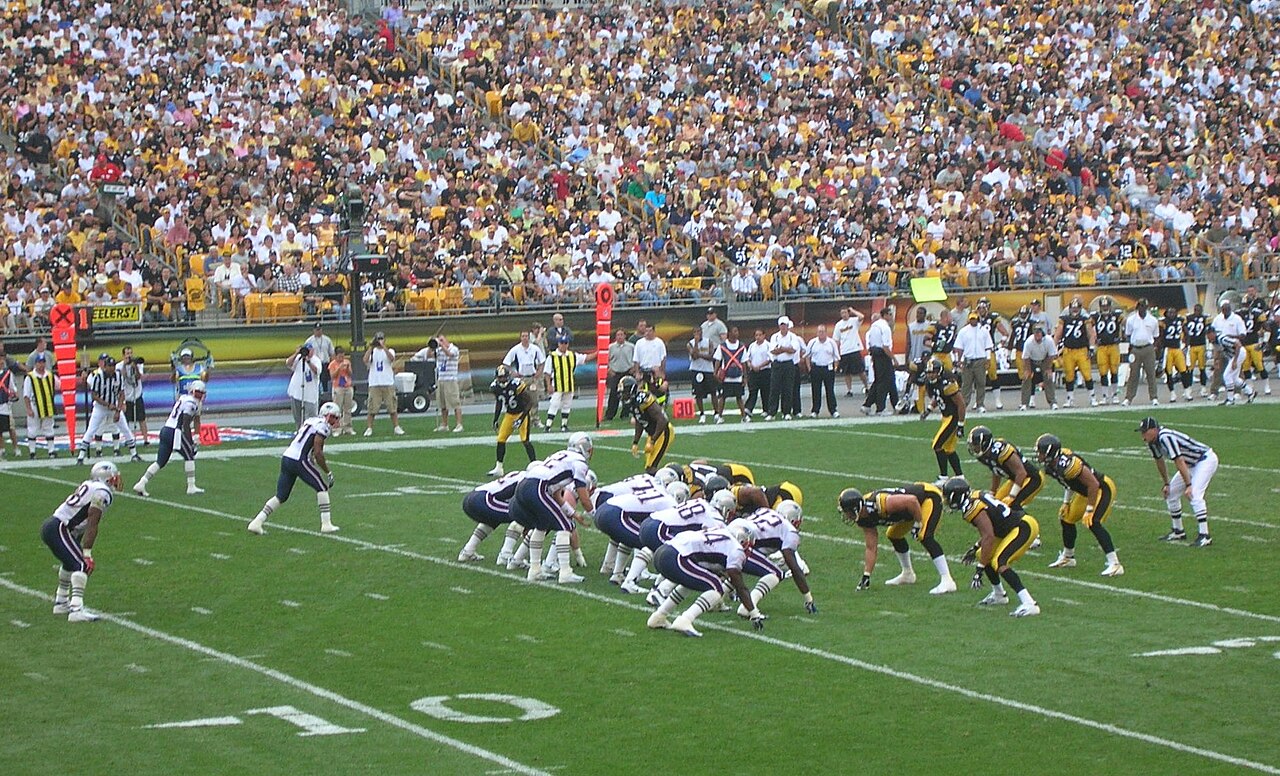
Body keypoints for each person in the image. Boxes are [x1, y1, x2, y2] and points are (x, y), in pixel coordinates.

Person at [942, 477, 1041, 617]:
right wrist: (976, 547)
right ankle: (999, 594)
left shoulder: (971, 508)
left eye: (948, 497)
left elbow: (989, 536)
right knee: (982, 554)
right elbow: (992, 527)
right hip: (1009, 528)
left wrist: (980, 569)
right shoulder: (975, 496)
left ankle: (1029, 603)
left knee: (999, 562)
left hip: (1022, 527)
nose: (947, 500)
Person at [646, 522, 766, 637]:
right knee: (716, 587)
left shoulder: (720, 533)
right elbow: (739, 586)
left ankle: (659, 617)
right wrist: (754, 613)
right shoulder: (736, 549)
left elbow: (706, 559)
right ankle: (685, 619)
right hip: (676, 556)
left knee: (690, 582)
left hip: (663, 551)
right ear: (742, 541)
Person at [839, 482, 957, 595]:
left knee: (925, 536)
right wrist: (866, 575)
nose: (845, 515)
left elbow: (912, 500)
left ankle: (947, 580)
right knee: (893, 535)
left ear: (855, 509)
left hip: (927, 497)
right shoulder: (862, 517)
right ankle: (908, 574)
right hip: (909, 510)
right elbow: (871, 547)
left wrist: (918, 523)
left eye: (846, 511)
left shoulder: (880, 503)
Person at [508, 433, 595, 583]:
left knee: (541, 526)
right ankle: (565, 572)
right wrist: (593, 513)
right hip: (537, 487)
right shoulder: (580, 463)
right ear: (586, 449)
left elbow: (556, 494)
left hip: (525, 485)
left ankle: (534, 570)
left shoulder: (560, 455)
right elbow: (582, 493)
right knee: (565, 526)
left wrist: (573, 513)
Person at [41, 460, 121, 622]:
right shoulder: (102, 492)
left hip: (54, 526)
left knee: (70, 563)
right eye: (114, 477)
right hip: (60, 527)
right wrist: (87, 553)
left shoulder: (90, 485)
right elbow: (92, 521)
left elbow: (79, 521)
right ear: (107, 477)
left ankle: (61, 602)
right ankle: (76, 610)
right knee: (82, 565)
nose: (116, 480)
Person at [1036, 433, 1124, 576]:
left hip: (1101, 489)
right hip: (1086, 491)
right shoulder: (1052, 466)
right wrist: (1066, 502)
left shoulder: (1068, 464)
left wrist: (1089, 510)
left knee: (1093, 522)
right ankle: (1068, 557)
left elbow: (1093, 484)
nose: (1038, 455)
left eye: (1040, 452)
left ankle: (1115, 564)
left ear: (1049, 452)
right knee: (1066, 518)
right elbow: (1069, 483)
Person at [247, 403, 342, 535]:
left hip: (287, 457)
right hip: (298, 460)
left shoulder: (311, 421)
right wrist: (328, 471)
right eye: (334, 417)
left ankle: (257, 522)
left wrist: (311, 457)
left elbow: (306, 442)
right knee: (322, 487)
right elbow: (318, 452)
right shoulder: (323, 426)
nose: (336, 420)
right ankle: (326, 524)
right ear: (328, 416)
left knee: (281, 495)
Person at [1137, 417, 1218, 547]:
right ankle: (1178, 531)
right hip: (1190, 464)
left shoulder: (1165, 437)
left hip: (1204, 460)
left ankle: (1205, 535)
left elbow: (1179, 460)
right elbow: (1159, 461)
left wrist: (1189, 485)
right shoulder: (1152, 442)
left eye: (1145, 432)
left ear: (1154, 429)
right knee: (1171, 493)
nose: (1143, 436)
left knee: (1194, 494)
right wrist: (1166, 483)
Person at [732, 504, 817, 617]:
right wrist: (808, 598)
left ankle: (717, 600)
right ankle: (747, 607)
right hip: (742, 541)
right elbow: (794, 567)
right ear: (793, 520)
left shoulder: (766, 511)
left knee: (734, 569)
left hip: (732, 531)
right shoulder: (789, 531)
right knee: (775, 573)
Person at [133, 380, 206, 497]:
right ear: (192, 391)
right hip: (175, 432)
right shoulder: (191, 403)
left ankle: (141, 483)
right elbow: (186, 423)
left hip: (166, 430)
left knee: (160, 461)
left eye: (201, 393)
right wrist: (191, 442)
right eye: (198, 392)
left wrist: (197, 436)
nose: (199, 395)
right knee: (189, 455)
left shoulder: (185, 398)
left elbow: (197, 420)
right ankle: (191, 486)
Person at [76, 356, 141, 464]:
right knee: (91, 430)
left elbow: (121, 393)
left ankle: (134, 454)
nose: (112, 368)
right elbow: (94, 395)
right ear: (105, 367)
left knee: (125, 429)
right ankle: (80, 457)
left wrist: (118, 410)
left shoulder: (118, 376)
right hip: (100, 407)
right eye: (110, 366)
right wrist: (107, 404)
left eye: (113, 366)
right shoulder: (98, 377)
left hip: (114, 406)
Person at [967, 426, 1043, 510]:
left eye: (975, 445)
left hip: (1032, 478)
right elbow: (996, 471)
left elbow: (1021, 472)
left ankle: (1023, 518)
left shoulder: (1000, 450)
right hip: (1016, 479)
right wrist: (993, 492)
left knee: (1011, 505)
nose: (973, 447)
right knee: (994, 505)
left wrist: (1012, 495)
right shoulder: (984, 455)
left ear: (984, 443)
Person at [458, 470, 526, 562]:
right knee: (521, 515)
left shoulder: (519, 474)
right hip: (484, 499)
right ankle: (505, 554)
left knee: (493, 519)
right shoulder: (527, 479)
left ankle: (468, 551)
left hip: (471, 497)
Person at [487, 365, 538, 476]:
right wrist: (495, 419)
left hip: (522, 413)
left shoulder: (516, 385)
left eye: (503, 377)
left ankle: (534, 465)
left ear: (508, 376)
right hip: (509, 414)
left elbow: (529, 402)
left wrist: (521, 419)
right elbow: (499, 402)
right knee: (501, 439)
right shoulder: (495, 387)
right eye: (500, 377)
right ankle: (499, 468)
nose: (502, 380)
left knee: (525, 440)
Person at [921, 358, 965, 482]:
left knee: (937, 445)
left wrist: (960, 425)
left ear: (939, 372)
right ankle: (960, 476)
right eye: (929, 372)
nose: (930, 375)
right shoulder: (934, 383)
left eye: (933, 372)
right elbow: (938, 397)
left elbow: (961, 404)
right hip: (946, 417)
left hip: (953, 418)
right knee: (949, 449)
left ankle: (944, 477)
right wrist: (929, 409)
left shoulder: (948, 384)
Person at [620, 374, 674, 473]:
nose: (622, 395)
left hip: (663, 431)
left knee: (651, 468)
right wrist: (635, 442)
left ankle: (671, 475)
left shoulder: (643, 399)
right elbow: (640, 421)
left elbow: (662, 420)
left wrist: (653, 441)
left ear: (631, 390)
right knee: (649, 467)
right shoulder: (633, 401)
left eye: (624, 392)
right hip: (653, 433)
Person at [544, 335, 594, 431]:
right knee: (554, 404)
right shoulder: (552, 356)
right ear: (558, 344)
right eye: (562, 343)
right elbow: (547, 372)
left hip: (569, 384)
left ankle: (564, 424)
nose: (563, 345)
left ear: (568, 344)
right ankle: (548, 425)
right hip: (557, 385)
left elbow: (586, 358)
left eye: (565, 343)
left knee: (567, 404)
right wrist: (549, 385)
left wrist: (599, 352)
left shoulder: (572, 355)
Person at [1210, 300, 1255, 405]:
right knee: (1234, 378)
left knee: (1227, 375)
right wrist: (1217, 359)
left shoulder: (1222, 338)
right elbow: (1219, 350)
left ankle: (1230, 399)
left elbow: (1238, 344)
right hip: (1231, 354)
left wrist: (1234, 360)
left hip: (1238, 353)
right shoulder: (1217, 321)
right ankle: (1250, 392)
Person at [1055, 296, 1097, 407]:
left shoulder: (1085, 319)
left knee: (1087, 374)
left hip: (1082, 350)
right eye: (1073, 308)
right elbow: (1058, 334)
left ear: (1080, 308)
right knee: (1069, 375)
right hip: (1068, 350)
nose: (1075, 310)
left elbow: (1091, 334)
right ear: (1069, 308)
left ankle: (1092, 397)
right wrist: (1054, 348)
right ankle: (1070, 399)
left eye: (1077, 307)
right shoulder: (1064, 319)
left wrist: (1091, 347)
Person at [363, 332, 404, 436]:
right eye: (378, 339)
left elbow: (391, 358)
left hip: (387, 382)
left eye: (381, 339)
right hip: (374, 383)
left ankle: (396, 427)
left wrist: (383, 347)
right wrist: (371, 347)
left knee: (392, 407)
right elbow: (365, 360)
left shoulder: (390, 350)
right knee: (372, 408)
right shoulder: (372, 352)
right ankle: (369, 428)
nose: (380, 341)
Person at [953, 312, 994, 413]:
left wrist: (988, 359)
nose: (973, 321)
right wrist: (959, 360)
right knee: (966, 384)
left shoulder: (984, 331)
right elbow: (958, 347)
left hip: (980, 359)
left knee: (981, 383)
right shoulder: (963, 331)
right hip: (968, 360)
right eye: (971, 319)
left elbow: (988, 346)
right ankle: (963, 405)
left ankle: (980, 404)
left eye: (975, 319)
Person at [1123, 298, 1161, 406]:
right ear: (1137, 307)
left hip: (1148, 348)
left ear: (1147, 307)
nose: (1142, 308)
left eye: (1144, 306)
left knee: (1151, 374)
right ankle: (1128, 398)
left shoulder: (1153, 320)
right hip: (1135, 348)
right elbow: (1128, 334)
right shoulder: (1131, 320)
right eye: (1140, 306)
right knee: (1133, 374)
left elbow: (1156, 336)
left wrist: (1154, 348)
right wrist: (1130, 348)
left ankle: (1154, 397)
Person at [765, 316, 803, 420]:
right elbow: (773, 351)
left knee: (788, 388)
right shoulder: (775, 337)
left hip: (788, 364)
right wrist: (785, 349)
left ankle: (786, 412)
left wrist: (781, 349)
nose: (783, 327)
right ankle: (771, 412)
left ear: (787, 326)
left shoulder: (792, 337)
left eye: (785, 325)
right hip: (777, 364)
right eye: (781, 325)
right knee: (774, 388)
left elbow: (793, 350)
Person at [862, 307, 898, 415]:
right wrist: (894, 359)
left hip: (875, 354)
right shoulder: (885, 328)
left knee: (882, 380)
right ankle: (880, 408)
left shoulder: (874, 326)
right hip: (883, 356)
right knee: (883, 382)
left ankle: (867, 405)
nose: (891, 317)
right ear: (885, 315)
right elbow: (885, 347)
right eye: (890, 314)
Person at [23, 353, 58, 458]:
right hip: (35, 405)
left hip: (47, 405)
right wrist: (28, 409)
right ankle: (32, 452)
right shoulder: (30, 377)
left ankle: (51, 450)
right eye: (39, 363)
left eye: (43, 362)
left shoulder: (50, 375)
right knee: (33, 428)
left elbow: (57, 386)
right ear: (35, 364)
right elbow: (26, 394)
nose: (41, 365)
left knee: (49, 427)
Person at [713, 326, 748, 423]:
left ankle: (744, 417)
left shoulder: (741, 347)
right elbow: (718, 360)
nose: (737, 333)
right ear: (729, 333)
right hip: (726, 377)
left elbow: (744, 362)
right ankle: (720, 416)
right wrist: (715, 372)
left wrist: (745, 377)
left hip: (737, 377)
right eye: (735, 331)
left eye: (737, 331)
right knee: (723, 397)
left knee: (739, 397)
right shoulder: (722, 346)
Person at [1019, 325, 1059, 409]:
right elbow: (1025, 357)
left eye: (1039, 332)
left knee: (1048, 378)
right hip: (1031, 360)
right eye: (1035, 333)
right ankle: (1024, 403)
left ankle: (1052, 402)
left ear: (1042, 333)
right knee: (1026, 378)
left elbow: (1052, 355)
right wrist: (1028, 370)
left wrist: (1048, 368)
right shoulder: (1029, 342)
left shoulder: (1048, 340)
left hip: (1045, 359)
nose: (1037, 335)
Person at [1093, 297, 1125, 404]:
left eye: (1106, 306)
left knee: (1114, 371)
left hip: (1113, 346)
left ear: (1110, 306)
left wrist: (1122, 335)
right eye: (1103, 306)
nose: (1105, 308)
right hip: (1101, 347)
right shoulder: (1096, 317)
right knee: (1103, 372)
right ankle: (1105, 396)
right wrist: (1093, 338)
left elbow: (1125, 322)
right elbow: (1088, 327)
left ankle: (1115, 395)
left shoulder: (1116, 315)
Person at [805, 325, 840, 418]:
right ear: (817, 333)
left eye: (823, 331)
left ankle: (833, 410)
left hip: (828, 368)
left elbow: (836, 357)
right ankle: (815, 411)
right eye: (819, 331)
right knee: (816, 390)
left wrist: (835, 368)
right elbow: (807, 356)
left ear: (826, 332)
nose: (821, 333)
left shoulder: (831, 342)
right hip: (816, 368)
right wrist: (809, 368)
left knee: (830, 390)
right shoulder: (812, 342)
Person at [286, 343, 322, 430]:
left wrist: (308, 361)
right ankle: (299, 431)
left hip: (310, 395)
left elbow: (317, 371)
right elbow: (288, 363)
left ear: (313, 350)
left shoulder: (316, 360)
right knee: (298, 416)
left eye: (309, 350)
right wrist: (296, 353)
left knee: (311, 418)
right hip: (296, 392)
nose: (308, 352)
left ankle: (310, 433)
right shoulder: (298, 358)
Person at [1160, 307, 1192, 402]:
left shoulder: (1180, 320)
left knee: (1184, 371)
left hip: (1178, 349)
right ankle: (1172, 394)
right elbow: (1160, 336)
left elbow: (1186, 332)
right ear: (1167, 313)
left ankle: (1187, 392)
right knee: (1169, 373)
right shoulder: (1163, 322)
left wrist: (1187, 344)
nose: (1172, 314)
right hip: (1168, 349)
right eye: (1170, 313)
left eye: (1173, 312)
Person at [687, 326, 718, 423]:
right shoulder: (690, 344)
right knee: (698, 394)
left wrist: (699, 355)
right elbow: (693, 356)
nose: (697, 334)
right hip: (696, 370)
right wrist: (696, 343)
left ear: (702, 332)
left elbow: (711, 357)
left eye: (699, 331)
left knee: (713, 392)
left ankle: (716, 413)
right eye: (695, 332)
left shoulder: (708, 342)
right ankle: (702, 414)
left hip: (708, 370)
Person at [119, 347, 149, 446]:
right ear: (123, 355)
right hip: (126, 396)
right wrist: (125, 365)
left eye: (131, 353)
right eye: (127, 353)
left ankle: (145, 439)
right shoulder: (119, 366)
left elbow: (138, 377)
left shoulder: (138, 364)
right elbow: (122, 376)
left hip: (137, 394)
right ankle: (128, 439)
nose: (129, 355)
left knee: (142, 418)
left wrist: (134, 367)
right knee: (126, 419)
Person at [434, 335, 464, 433]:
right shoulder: (438, 350)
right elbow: (429, 355)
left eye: (442, 340)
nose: (440, 342)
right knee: (442, 404)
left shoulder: (454, 349)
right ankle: (444, 424)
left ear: (446, 340)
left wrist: (442, 345)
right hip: (441, 379)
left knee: (455, 403)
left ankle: (459, 424)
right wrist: (432, 344)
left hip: (451, 379)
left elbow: (449, 354)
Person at [833, 307, 866, 396]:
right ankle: (849, 390)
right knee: (846, 372)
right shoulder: (838, 325)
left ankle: (867, 387)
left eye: (845, 312)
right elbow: (836, 340)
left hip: (855, 349)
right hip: (844, 351)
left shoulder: (854, 321)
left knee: (861, 371)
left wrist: (852, 310)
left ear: (848, 313)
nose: (844, 315)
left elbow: (862, 316)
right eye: (842, 313)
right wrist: (836, 352)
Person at [630, 322, 667, 400]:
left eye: (650, 331)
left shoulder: (659, 342)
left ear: (654, 332)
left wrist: (662, 372)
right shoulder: (639, 343)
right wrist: (637, 373)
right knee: (643, 392)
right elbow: (636, 360)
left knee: (659, 390)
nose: (648, 333)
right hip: (644, 371)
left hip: (656, 372)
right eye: (646, 331)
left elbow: (663, 358)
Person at [604, 329, 635, 421]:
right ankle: (609, 415)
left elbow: (635, 358)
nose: (620, 337)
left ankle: (625, 414)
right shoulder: (610, 347)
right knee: (613, 394)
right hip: (615, 373)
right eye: (618, 335)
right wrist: (609, 370)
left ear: (625, 336)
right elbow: (605, 360)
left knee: (627, 394)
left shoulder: (631, 347)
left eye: (621, 334)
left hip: (627, 372)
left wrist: (633, 368)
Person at [743, 328, 772, 419]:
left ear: (764, 335)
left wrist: (760, 366)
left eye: (760, 335)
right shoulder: (752, 345)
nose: (758, 337)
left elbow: (770, 359)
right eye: (756, 335)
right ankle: (749, 408)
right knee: (753, 390)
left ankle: (766, 409)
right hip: (753, 371)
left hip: (765, 371)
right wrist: (751, 365)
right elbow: (747, 358)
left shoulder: (768, 345)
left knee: (765, 391)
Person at [1184, 303, 1210, 397]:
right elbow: (1184, 327)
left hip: (1201, 345)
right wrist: (1187, 338)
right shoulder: (1189, 318)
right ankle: (1188, 389)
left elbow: (1208, 330)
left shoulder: (1205, 318)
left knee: (1202, 368)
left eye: (1199, 310)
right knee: (1190, 369)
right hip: (1192, 346)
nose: (1197, 312)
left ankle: (1203, 388)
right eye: (1196, 310)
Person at [328, 347, 355, 436]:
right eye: (340, 357)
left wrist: (348, 368)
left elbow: (350, 374)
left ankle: (347, 427)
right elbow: (332, 376)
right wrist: (339, 368)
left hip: (347, 386)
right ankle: (336, 428)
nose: (341, 358)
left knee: (348, 408)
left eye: (343, 356)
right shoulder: (332, 364)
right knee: (337, 409)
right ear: (336, 356)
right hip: (338, 387)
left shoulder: (347, 362)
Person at [305, 323, 336, 396]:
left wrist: (333, 364)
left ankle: (326, 394)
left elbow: (332, 353)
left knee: (325, 381)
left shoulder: (327, 340)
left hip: (325, 363)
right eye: (317, 330)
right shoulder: (309, 341)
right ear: (314, 330)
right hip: (314, 364)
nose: (318, 331)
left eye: (319, 330)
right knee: (316, 381)